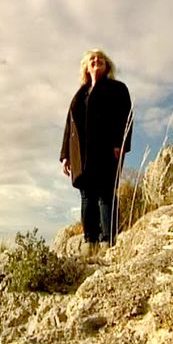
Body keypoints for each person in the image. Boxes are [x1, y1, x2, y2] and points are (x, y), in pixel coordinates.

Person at [59, 49, 132, 255]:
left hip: (107, 149)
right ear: (86, 66)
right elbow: (69, 125)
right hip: (81, 154)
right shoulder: (80, 94)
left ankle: (109, 243)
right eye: (92, 59)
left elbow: (126, 116)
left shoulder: (117, 89)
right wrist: (65, 155)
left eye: (100, 59)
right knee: (87, 197)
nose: (96, 61)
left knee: (106, 194)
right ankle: (90, 244)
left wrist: (120, 143)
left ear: (107, 65)